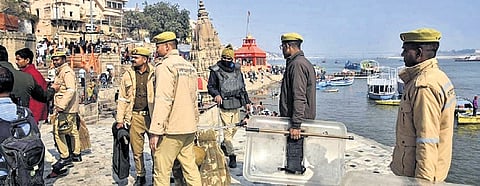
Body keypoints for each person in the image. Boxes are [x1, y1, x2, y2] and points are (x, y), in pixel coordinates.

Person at [390, 28, 456, 182]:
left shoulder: (424, 86)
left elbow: (427, 140)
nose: (402, 55)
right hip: (427, 171)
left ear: (419, 53)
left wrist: (422, 182)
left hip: (416, 176)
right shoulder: (438, 77)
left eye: (406, 51)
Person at [149, 31, 201, 185]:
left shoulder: (165, 66)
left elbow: (163, 100)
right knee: (190, 169)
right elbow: (194, 99)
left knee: (161, 171)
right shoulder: (189, 66)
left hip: (171, 129)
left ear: (167, 46)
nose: (156, 50)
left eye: (158, 46)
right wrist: (195, 123)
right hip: (189, 127)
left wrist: (156, 130)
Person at [115, 47, 155, 185]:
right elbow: (122, 98)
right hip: (135, 116)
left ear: (145, 59)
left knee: (156, 148)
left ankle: (158, 174)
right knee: (137, 150)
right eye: (132, 57)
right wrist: (120, 119)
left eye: (136, 58)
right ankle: (141, 175)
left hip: (152, 116)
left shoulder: (155, 74)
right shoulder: (128, 74)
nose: (133, 60)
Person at [207, 44, 251, 168]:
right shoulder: (215, 70)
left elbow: (242, 88)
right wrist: (216, 94)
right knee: (227, 131)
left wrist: (247, 102)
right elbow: (210, 86)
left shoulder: (237, 70)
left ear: (232, 59)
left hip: (236, 104)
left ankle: (225, 145)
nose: (226, 60)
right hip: (224, 105)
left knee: (234, 128)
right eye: (224, 58)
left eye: (229, 58)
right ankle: (232, 156)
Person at [47, 51, 82, 178]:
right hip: (69, 107)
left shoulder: (66, 72)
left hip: (66, 108)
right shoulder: (61, 71)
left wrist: (61, 105)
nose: (55, 62)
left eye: (57, 59)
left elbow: (70, 90)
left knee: (59, 132)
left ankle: (65, 155)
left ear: (63, 59)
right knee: (72, 130)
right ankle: (76, 153)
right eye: (54, 60)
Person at [278, 33, 316, 139]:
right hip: (300, 121)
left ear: (288, 46)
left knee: (295, 154)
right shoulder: (302, 62)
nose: (282, 50)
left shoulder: (297, 65)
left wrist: (296, 125)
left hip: (298, 124)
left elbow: (299, 96)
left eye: (282, 47)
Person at [15, 48, 48, 124]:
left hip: (33, 115)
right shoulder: (25, 73)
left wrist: (34, 118)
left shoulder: (33, 74)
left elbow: (38, 99)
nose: (16, 62)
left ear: (27, 60)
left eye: (18, 59)